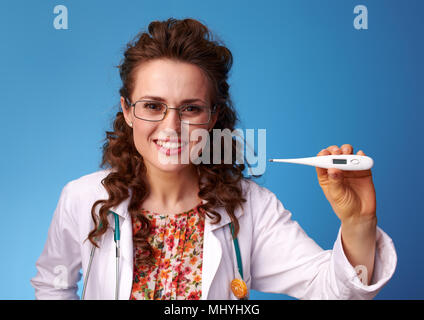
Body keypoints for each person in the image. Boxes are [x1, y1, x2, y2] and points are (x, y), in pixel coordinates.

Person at [30, 18, 397, 300]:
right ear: (127, 111)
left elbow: (332, 289)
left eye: (190, 108)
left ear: (214, 117)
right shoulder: (81, 199)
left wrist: (359, 222)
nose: (171, 127)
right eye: (153, 106)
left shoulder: (251, 208)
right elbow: (52, 283)